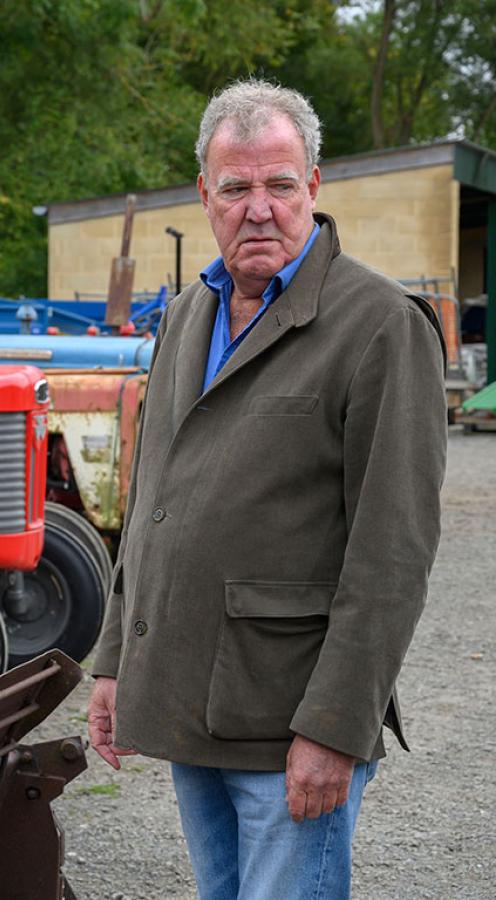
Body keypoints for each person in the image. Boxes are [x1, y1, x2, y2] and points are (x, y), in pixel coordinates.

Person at [86, 79, 446, 899]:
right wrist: (115, 661)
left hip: (290, 720)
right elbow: (150, 501)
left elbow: (393, 554)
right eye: (238, 187)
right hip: (193, 708)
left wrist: (335, 728)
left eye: (280, 185)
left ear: (314, 187)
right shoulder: (187, 314)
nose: (260, 209)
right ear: (203, 194)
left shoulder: (381, 326)